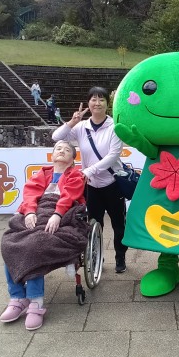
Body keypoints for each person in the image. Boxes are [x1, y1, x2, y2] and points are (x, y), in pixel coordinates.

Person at [0, 140, 86, 330]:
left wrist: (57, 215)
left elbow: (69, 197)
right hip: (37, 213)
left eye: (67, 150)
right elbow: (30, 194)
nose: (61, 151)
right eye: (58, 149)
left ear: (72, 159)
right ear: (52, 155)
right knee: (9, 242)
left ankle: (35, 302)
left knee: (35, 244)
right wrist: (30, 212)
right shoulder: (42, 174)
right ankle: (17, 297)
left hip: (62, 215)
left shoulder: (75, 175)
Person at [52, 86, 128, 273]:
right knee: (94, 224)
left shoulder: (115, 127)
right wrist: (72, 122)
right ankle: (97, 257)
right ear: (88, 103)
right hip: (91, 186)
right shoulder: (81, 127)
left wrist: (89, 171)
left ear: (107, 104)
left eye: (101, 99)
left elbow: (113, 155)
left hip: (112, 183)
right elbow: (56, 137)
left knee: (119, 224)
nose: (97, 103)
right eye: (93, 99)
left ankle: (120, 257)